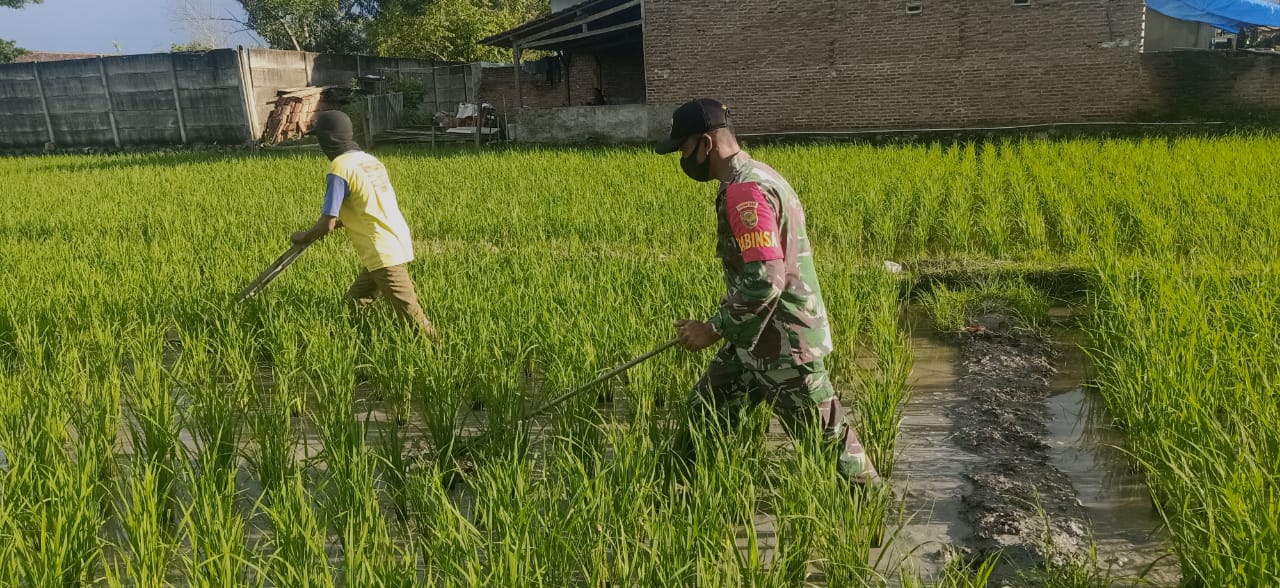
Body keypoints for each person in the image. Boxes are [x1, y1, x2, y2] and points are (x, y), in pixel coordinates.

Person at [655, 98, 880, 488]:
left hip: (783, 344)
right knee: (705, 414)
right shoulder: (758, 176)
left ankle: (874, 517)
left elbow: (766, 277)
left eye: (684, 148)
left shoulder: (745, 191)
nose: (682, 158)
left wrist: (713, 327)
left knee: (830, 448)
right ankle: (678, 502)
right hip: (752, 339)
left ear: (706, 144)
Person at [290, 110, 435, 337]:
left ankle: (441, 356)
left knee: (412, 317)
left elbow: (328, 222)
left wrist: (304, 236)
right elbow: (366, 208)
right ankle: (352, 341)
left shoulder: (339, 168)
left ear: (328, 139)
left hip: (381, 250)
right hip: (395, 240)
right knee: (354, 303)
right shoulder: (370, 161)